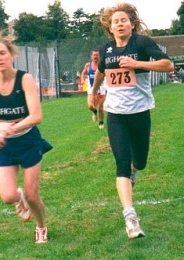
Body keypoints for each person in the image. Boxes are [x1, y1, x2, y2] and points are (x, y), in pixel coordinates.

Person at [90, 3, 174, 239]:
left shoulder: (142, 43)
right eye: (115, 21)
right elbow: (101, 71)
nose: (119, 24)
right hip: (116, 115)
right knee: (121, 163)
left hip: (140, 113)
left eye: (123, 20)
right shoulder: (106, 50)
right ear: (110, 26)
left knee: (141, 161)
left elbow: (167, 65)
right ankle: (130, 218)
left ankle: (135, 169)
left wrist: (137, 64)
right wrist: (92, 93)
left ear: (131, 24)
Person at [0, 32, 53, 244]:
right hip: (1, 143)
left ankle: (41, 227)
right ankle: (18, 198)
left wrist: (8, 130)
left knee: (33, 196)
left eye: (2, 53)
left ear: (11, 55)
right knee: (7, 196)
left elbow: (36, 116)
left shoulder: (24, 79)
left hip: (27, 140)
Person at [81, 49, 106, 129]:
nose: (95, 56)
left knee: (101, 108)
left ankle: (101, 122)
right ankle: (94, 112)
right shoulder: (88, 65)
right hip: (91, 89)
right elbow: (84, 72)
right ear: (91, 56)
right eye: (94, 55)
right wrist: (82, 79)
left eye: (97, 55)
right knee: (90, 106)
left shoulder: (102, 64)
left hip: (101, 88)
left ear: (99, 56)